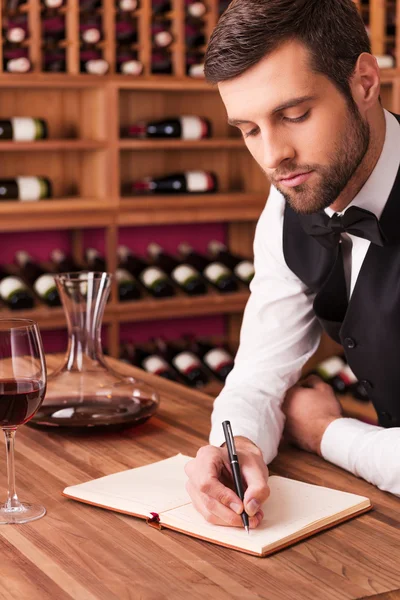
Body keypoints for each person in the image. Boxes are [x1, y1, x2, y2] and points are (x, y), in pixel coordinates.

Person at [184, 0, 400, 530]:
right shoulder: (289, 201)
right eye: (249, 129)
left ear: (365, 82)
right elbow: (259, 373)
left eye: (294, 115)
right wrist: (236, 446)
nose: (272, 155)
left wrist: (325, 431)